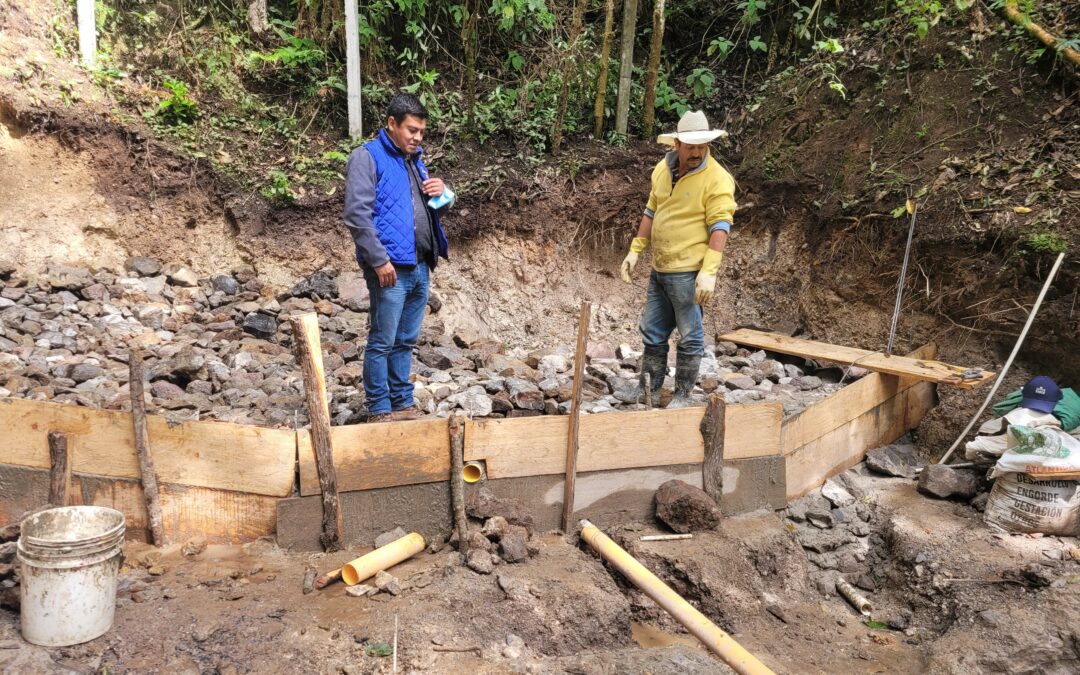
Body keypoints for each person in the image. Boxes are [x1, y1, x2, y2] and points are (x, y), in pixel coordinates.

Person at [344, 93, 451, 422]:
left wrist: (444, 195)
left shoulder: (415, 160)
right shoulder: (367, 157)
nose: (418, 138)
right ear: (392, 124)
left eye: (421, 132)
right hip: (390, 267)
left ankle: (402, 403)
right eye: (412, 130)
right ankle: (379, 408)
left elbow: (432, 210)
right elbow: (357, 216)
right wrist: (378, 259)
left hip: (420, 265)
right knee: (382, 340)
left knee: (405, 340)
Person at [618, 110, 736, 408]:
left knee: (690, 335)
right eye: (690, 146)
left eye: (702, 146)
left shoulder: (717, 179)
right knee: (653, 331)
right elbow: (651, 210)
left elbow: (720, 225)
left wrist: (709, 271)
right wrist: (636, 250)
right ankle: (650, 390)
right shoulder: (662, 169)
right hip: (661, 267)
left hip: (688, 271)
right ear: (677, 144)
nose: (696, 152)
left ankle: (682, 395)